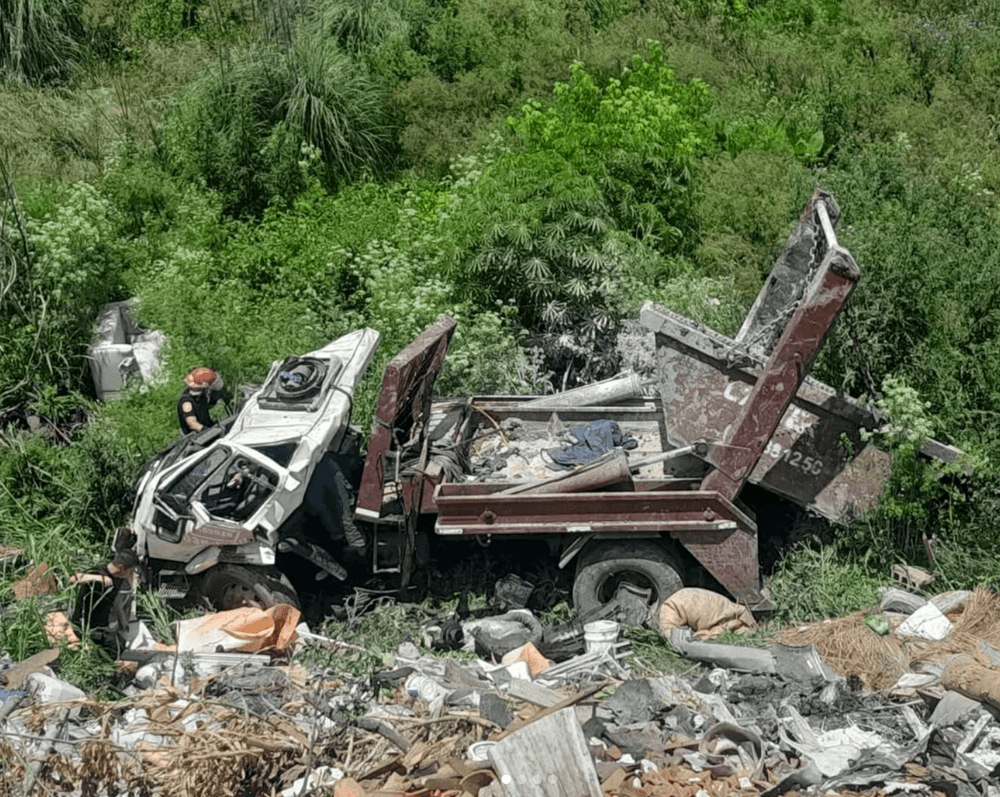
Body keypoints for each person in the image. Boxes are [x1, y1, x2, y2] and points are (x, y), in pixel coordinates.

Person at [177, 367, 225, 435]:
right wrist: (206, 430)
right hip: (196, 436)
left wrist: (216, 397)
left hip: (208, 426)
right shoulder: (186, 402)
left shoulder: (202, 395)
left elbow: (206, 406)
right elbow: (192, 423)